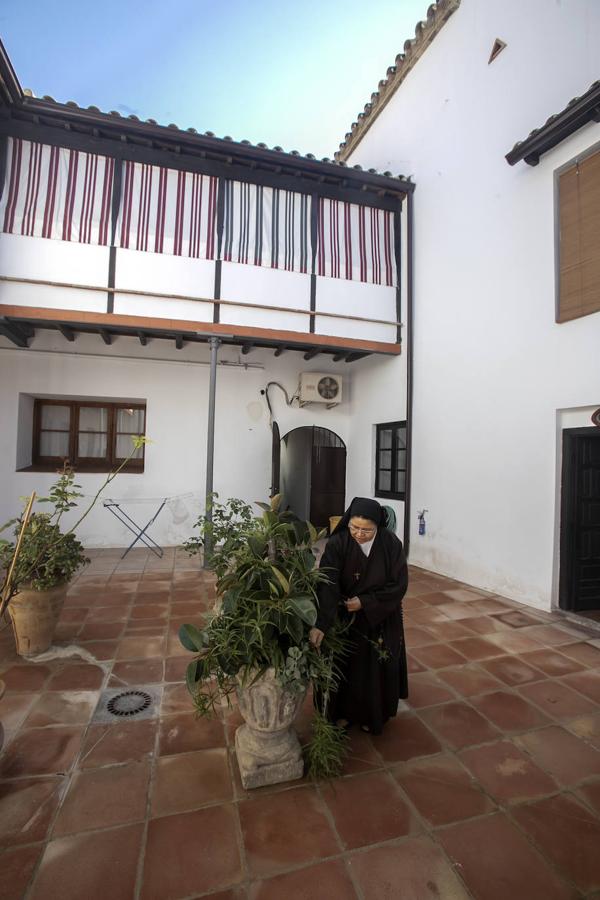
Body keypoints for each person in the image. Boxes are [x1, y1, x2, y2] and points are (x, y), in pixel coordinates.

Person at [309, 497, 409, 735]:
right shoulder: (338, 543)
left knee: (375, 668)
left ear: (378, 527)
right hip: (345, 617)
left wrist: (366, 602)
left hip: (380, 617)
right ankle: (342, 714)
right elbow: (328, 583)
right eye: (354, 527)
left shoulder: (391, 544)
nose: (359, 534)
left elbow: (399, 584)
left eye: (367, 530)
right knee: (346, 667)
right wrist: (322, 623)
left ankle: (373, 716)